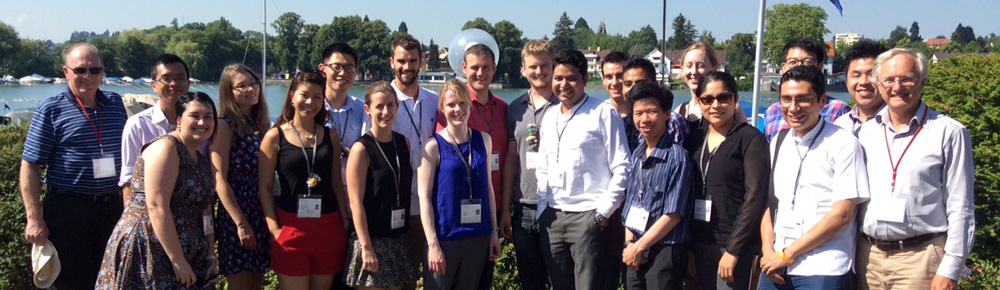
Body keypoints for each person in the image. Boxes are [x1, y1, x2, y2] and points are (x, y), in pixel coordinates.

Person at [855, 48, 975, 290]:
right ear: (879, 84)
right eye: (889, 80)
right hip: (869, 258)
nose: (897, 87)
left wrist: (951, 269)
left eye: (906, 79)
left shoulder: (949, 132)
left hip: (921, 260)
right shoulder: (865, 132)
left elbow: (961, 205)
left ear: (922, 82)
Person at [20, 43, 128, 289]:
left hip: (112, 208)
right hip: (69, 212)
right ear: (66, 71)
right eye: (80, 70)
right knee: (74, 282)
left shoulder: (115, 104)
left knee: (113, 279)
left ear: (102, 72)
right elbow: (30, 165)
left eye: (95, 70)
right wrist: (34, 218)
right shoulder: (51, 109)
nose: (88, 77)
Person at [759, 66, 869, 290]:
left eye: (803, 99)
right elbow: (769, 204)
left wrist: (788, 255)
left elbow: (842, 214)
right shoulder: (779, 142)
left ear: (822, 101)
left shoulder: (843, 144)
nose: (793, 107)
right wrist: (768, 252)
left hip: (823, 268)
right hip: (777, 267)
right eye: (786, 99)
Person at [96, 92, 219, 289]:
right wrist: (177, 260)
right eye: (194, 116)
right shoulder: (166, 148)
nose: (202, 122)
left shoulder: (200, 158)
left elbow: (205, 209)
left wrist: (210, 255)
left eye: (208, 116)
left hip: (185, 252)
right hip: (150, 248)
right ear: (179, 120)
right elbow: (156, 206)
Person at [536, 49, 629, 290]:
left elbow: (622, 166)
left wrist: (602, 214)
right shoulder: (549, 116)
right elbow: (543, 166)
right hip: (553, 217)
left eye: (571, 78)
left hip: (588, 217)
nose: (563, 84)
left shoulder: (603, 113)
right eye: (558, 78)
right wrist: (541, 208)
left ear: (585, 81)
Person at [258, 72, 350, 290]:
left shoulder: (331, 136)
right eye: (305, 95)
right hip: (290, 226)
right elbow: (265, 187)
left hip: (328, 226)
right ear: (292, 96)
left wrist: (344, 218)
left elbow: (336, 181)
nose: (311, 102)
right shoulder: (275, 136)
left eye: (318, 97)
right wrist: (274, 229)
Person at [684, 71, 769, 290]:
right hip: (699, 242)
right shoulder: (694, 137)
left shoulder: (750, 139)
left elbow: (755, 197)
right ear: (700, 101)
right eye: (708, 99)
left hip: (734, 245)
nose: (716, 105)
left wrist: (733, 251)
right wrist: (690, 247)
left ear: (735, 99)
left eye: (723, 98)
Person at [435, 43, 509, 289]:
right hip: (452, 221)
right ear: (464, 68)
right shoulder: (453, 103)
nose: (480, 73)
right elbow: (446, 160)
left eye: (486, 67)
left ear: (494, 69)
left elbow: (509, 160)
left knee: (480, 283)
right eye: (474, 67)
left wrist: (501, 216)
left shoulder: (504, 108)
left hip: (489, 212)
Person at [417, 79, 502, 290]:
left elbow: (489, 189)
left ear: (470, 105)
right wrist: (433, 244)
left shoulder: (485, 140)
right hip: (446, 238)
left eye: (462, 103)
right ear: (442, 108)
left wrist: (493, 230)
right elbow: (424, 198)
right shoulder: (432, 146)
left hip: (478, 236)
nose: (458, 109)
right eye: (451, 104)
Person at [375, 34, 441, 288]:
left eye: (413, 60)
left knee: (434, 278)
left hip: (430, 206)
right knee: (397, 282)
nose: (407, 66)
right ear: (392, 62)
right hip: (393, 208)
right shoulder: (381, 103)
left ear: (421, 62)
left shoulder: (435, 102)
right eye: (401, 60)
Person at [620, 82, 695, 290]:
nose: (644, 119)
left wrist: (639, 247)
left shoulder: (678, 158)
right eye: (638, 113)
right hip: (635, 246)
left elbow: (674, 214)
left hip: (665, 249)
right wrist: (629, 244)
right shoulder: (638, 153)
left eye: (652, 112)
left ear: (666, 113)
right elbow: (631, 203)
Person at [344, 81, 419, 289]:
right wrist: (366, 247)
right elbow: (355, 203)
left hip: (397, 239)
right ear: (368, 110)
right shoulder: (361, 149)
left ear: (397, 107)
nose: (385, 112)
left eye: (390, 105)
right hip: (372, 241)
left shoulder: (403, 143)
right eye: (379, 106)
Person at [499, 39, 558, 290]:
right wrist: (504, 209)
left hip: (559, 206)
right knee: (530, 282)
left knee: (561, 280)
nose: (539, 72)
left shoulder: (565, 105)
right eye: (533, 66)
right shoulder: (514, 109)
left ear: (553, 66)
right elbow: (511, 160)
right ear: (523, 68)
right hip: (523, 207)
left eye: (545, 65)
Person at [210, 64, 271, 290]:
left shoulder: (259, 124)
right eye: (241, 86)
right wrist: (241, 223)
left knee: (257, 284)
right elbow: (219, 179)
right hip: (238, 214)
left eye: (253, 83)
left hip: (259, 211)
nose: (250, 89)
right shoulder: (225, 125)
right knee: (241, 284)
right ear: (229, 91)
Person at [120, 54, 192, 204]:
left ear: (188, 83)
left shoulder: (200, 125)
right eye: (166, 79)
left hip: (192, 213)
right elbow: (128, 178)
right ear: (154, 85)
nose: (174, 84)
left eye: (180, 78)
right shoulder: (138, 125)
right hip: (151, 211)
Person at [762, 38, 850, 141]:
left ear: (820, 66)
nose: (799, 66)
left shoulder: (838, 109)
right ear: (784, 67)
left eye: (807, 62)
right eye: (793, 62)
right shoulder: (771, 112)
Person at [672, 42, 746, 129]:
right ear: (682, 70)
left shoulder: (730, 109)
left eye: (700, 66)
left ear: (714, 69)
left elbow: (747, 138)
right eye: (689, 66)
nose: (694, 72)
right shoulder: (680, 111)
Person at [620, 57, 689, 145]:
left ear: (654, 83)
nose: (634, 89)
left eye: (640, 83)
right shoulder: (623, 124)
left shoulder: (673, 122)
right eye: (628, 84)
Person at [318, 43, 366, 164]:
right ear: (322, 70)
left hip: (353, 181)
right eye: (336, 67)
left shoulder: (363, 109)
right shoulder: (313, 108)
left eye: (349, 68)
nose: (342, 73)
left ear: (356, 73)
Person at [832, 40, 888, 136]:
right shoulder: (840, 125)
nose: (863, 82)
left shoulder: (897, 123)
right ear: (846, 81)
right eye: (856, 75)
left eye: (871, 74)